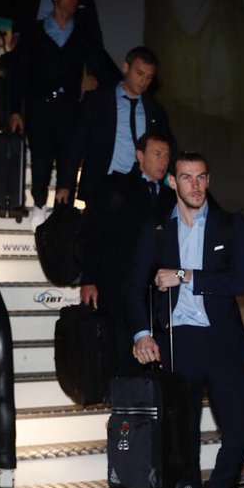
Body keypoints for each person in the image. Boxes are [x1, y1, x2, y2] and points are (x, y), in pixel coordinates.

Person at [128, 152, 244, 488]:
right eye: (186, 178)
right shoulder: (157, 230)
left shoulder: (231, 224)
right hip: (177, 346)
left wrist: (184, 276)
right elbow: (133, 288)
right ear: (173, 184)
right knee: (182, 447)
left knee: (239, 434)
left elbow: (238, 281)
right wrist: (142, 334)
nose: (196, 186)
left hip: (223, 345)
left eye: (201, 177)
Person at [8, 0, 111, 223]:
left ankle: (62, 212)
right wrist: (15, 109)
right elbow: (20, 72)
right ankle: (40, 204)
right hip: (39, 105)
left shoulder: (83, 33)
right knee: (41, 157)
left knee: (69, 158)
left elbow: (99, 66)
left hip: (70, 106)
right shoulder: (35, 32)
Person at [80, 131, 175, 375]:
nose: (164, 160)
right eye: (157, 154)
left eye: (167, 155)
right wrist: (88, 278)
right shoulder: (115, 186)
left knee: (157, 356)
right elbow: (94, 233)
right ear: (140, 155)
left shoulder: (171, 197)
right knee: (122, 353)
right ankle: (125, 407)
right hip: (116, 284)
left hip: (156, 292)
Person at [61, 46, 176, 209]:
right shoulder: (98, 101)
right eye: (140, 73)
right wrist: (66, 184)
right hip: (102, 184)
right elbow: (76, 143)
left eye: (149, 77)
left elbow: (167, 146)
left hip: (140, 185)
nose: (144, 81)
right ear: (125, 68)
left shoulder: (154, 110)